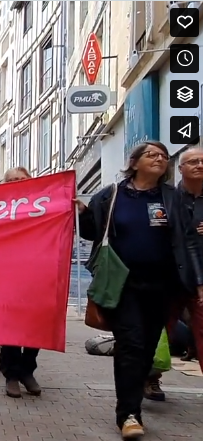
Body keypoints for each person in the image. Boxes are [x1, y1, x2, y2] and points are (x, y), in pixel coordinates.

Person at [76, 141, 203, 439]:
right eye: (151, 155)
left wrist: (198, 283)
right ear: (134, 163)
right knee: (131, 344)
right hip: (124, 285)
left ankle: (135, 397)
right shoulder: (112, 194)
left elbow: (188, 244)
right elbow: (92, 232)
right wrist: (82, 212)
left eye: (163, 156)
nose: (159, 159)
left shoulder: (172, 197)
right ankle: (129, 414)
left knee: (146, 349)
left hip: (163, 286)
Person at [145, 146, 203, 400]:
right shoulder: (168, 197)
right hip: (170, 277)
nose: (199, 165)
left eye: (202, 161)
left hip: (200, 280)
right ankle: (149, 378)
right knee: (160, 333)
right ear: (180, 169)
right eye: (192, 161)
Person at [0, 167, 42, 398]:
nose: (17, 183)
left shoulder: (44, 204)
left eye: (21, 179)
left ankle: (28, 370)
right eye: (12, 180)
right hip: (9, 276)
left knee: (36, 326)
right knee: (12, 327)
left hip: (38, 274)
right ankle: (11, 375)